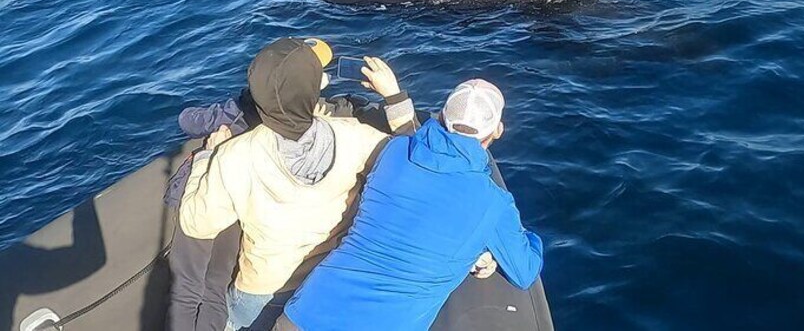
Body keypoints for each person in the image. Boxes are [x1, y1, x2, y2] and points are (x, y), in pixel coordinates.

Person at [178, 38, 416, 331]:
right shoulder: (355, 136)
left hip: (260, 294)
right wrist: (394, 96)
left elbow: (196, 223)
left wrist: (206, 156)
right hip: (326, 281)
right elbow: (411, 164)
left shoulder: (235, 155)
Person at [280, 79, 544, 331]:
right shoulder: (494, 203)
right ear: (497, 131)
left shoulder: (395, 150)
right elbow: (525, 272)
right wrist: (519, 240)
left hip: (304, 312)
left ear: (441, 115)